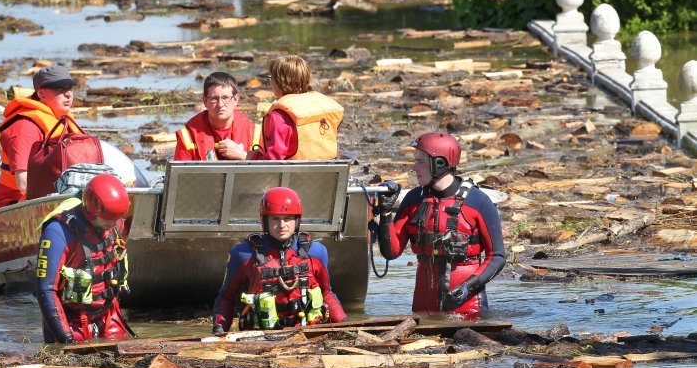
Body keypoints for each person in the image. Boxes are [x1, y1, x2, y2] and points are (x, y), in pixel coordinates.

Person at [376, 132, 505, 318]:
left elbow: (497, 257)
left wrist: (468, 287)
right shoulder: (413, 199)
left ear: (440, 164)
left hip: (468, 310)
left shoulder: (479, 202)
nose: (414, 167)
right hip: (423, 310)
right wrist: (385, 213)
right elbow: (391, 252)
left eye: (420, 162)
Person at [212, 187, 347, 334]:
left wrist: (345, 325)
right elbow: (226, 297)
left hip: (307, 333)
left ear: (297, 221)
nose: (282, 225)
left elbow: (327, 293)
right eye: (275, 218)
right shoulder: (243, 254)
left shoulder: (317, 252)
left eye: (287, 219)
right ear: (265, 220)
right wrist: (219, 329)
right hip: (260, 335)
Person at [35, 174, 132, 343]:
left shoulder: (115, 224)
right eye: (108, 220)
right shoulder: (57, 232)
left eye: (116, 219)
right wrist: (65, 338)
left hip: (109, 315)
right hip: (73, 322)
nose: (113, 225)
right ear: (91, 210)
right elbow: (46, 290)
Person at [0, 65, 79, 208]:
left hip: (62, 194)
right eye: (59, 89)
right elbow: (24, 183)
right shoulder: (23, 128)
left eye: (69, 88)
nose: (68, 94)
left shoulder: (63, 118)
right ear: (41, 94)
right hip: (17, 204)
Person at [248, 55, 343, 161]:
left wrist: (250, 156)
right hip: (325, 174)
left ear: (280, 81)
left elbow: (273, 161)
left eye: (271, 78)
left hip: (293, 176)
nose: (270, 82)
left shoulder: (279, 116)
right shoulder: (320, 108)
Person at [174, 72, 260, 161]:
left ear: (236, 99)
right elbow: (179, 174)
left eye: (225, 98)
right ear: (205, 101)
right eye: (214, 99)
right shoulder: (188, 136)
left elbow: (267, 171)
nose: (220, 104)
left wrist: (242, 155)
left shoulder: (254, 133)